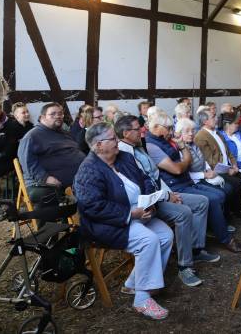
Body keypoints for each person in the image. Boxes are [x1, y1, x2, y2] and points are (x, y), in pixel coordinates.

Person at [74, 123, 173, 319]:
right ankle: (142, 299)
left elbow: (145, 179)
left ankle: (134, 284)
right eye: (112, 139)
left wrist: (148, 201)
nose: (118, 141)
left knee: (166, 235)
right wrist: (130, 214)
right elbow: (93, 206)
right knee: (149, 240)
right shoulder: (88, 170)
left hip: (138, 213)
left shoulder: (124, 157)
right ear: (98, 145)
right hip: (107, 224)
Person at [115, 115, 219, 287]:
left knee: (201, 201)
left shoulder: (140, 147)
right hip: (147, 203)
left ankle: (195, 248)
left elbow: (154, 175)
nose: (142, 130)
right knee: (183, 213)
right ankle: (184, 265)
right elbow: (142, 185)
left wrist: (170, 193)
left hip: (162, 193)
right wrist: (166, 196)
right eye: (137, 129)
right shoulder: (124, 154)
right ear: (126, 133)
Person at [145, 111, 241, 253]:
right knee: (214, 198)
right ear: (156, 127)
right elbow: (178, 169)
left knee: (221, 193)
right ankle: (220, 240)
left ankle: (210, 237)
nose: (170, 132)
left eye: (171, 128)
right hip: (176, 186)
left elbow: (188, 162)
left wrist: (183, 156)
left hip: (186, 181)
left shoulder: (165, 141)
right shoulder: (152, 146)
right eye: (168, 128)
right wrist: (184, 160)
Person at [17, 102, 86, 213]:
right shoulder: (32, 136)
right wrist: (45, 178)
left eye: (60, 113)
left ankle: (84, 226)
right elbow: (27, 163)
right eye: (53, 114)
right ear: (42, 117)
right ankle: (46, 229)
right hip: (43, 184)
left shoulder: (65, 134)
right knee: (47, 196)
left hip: (76, 180)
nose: (58, 116)